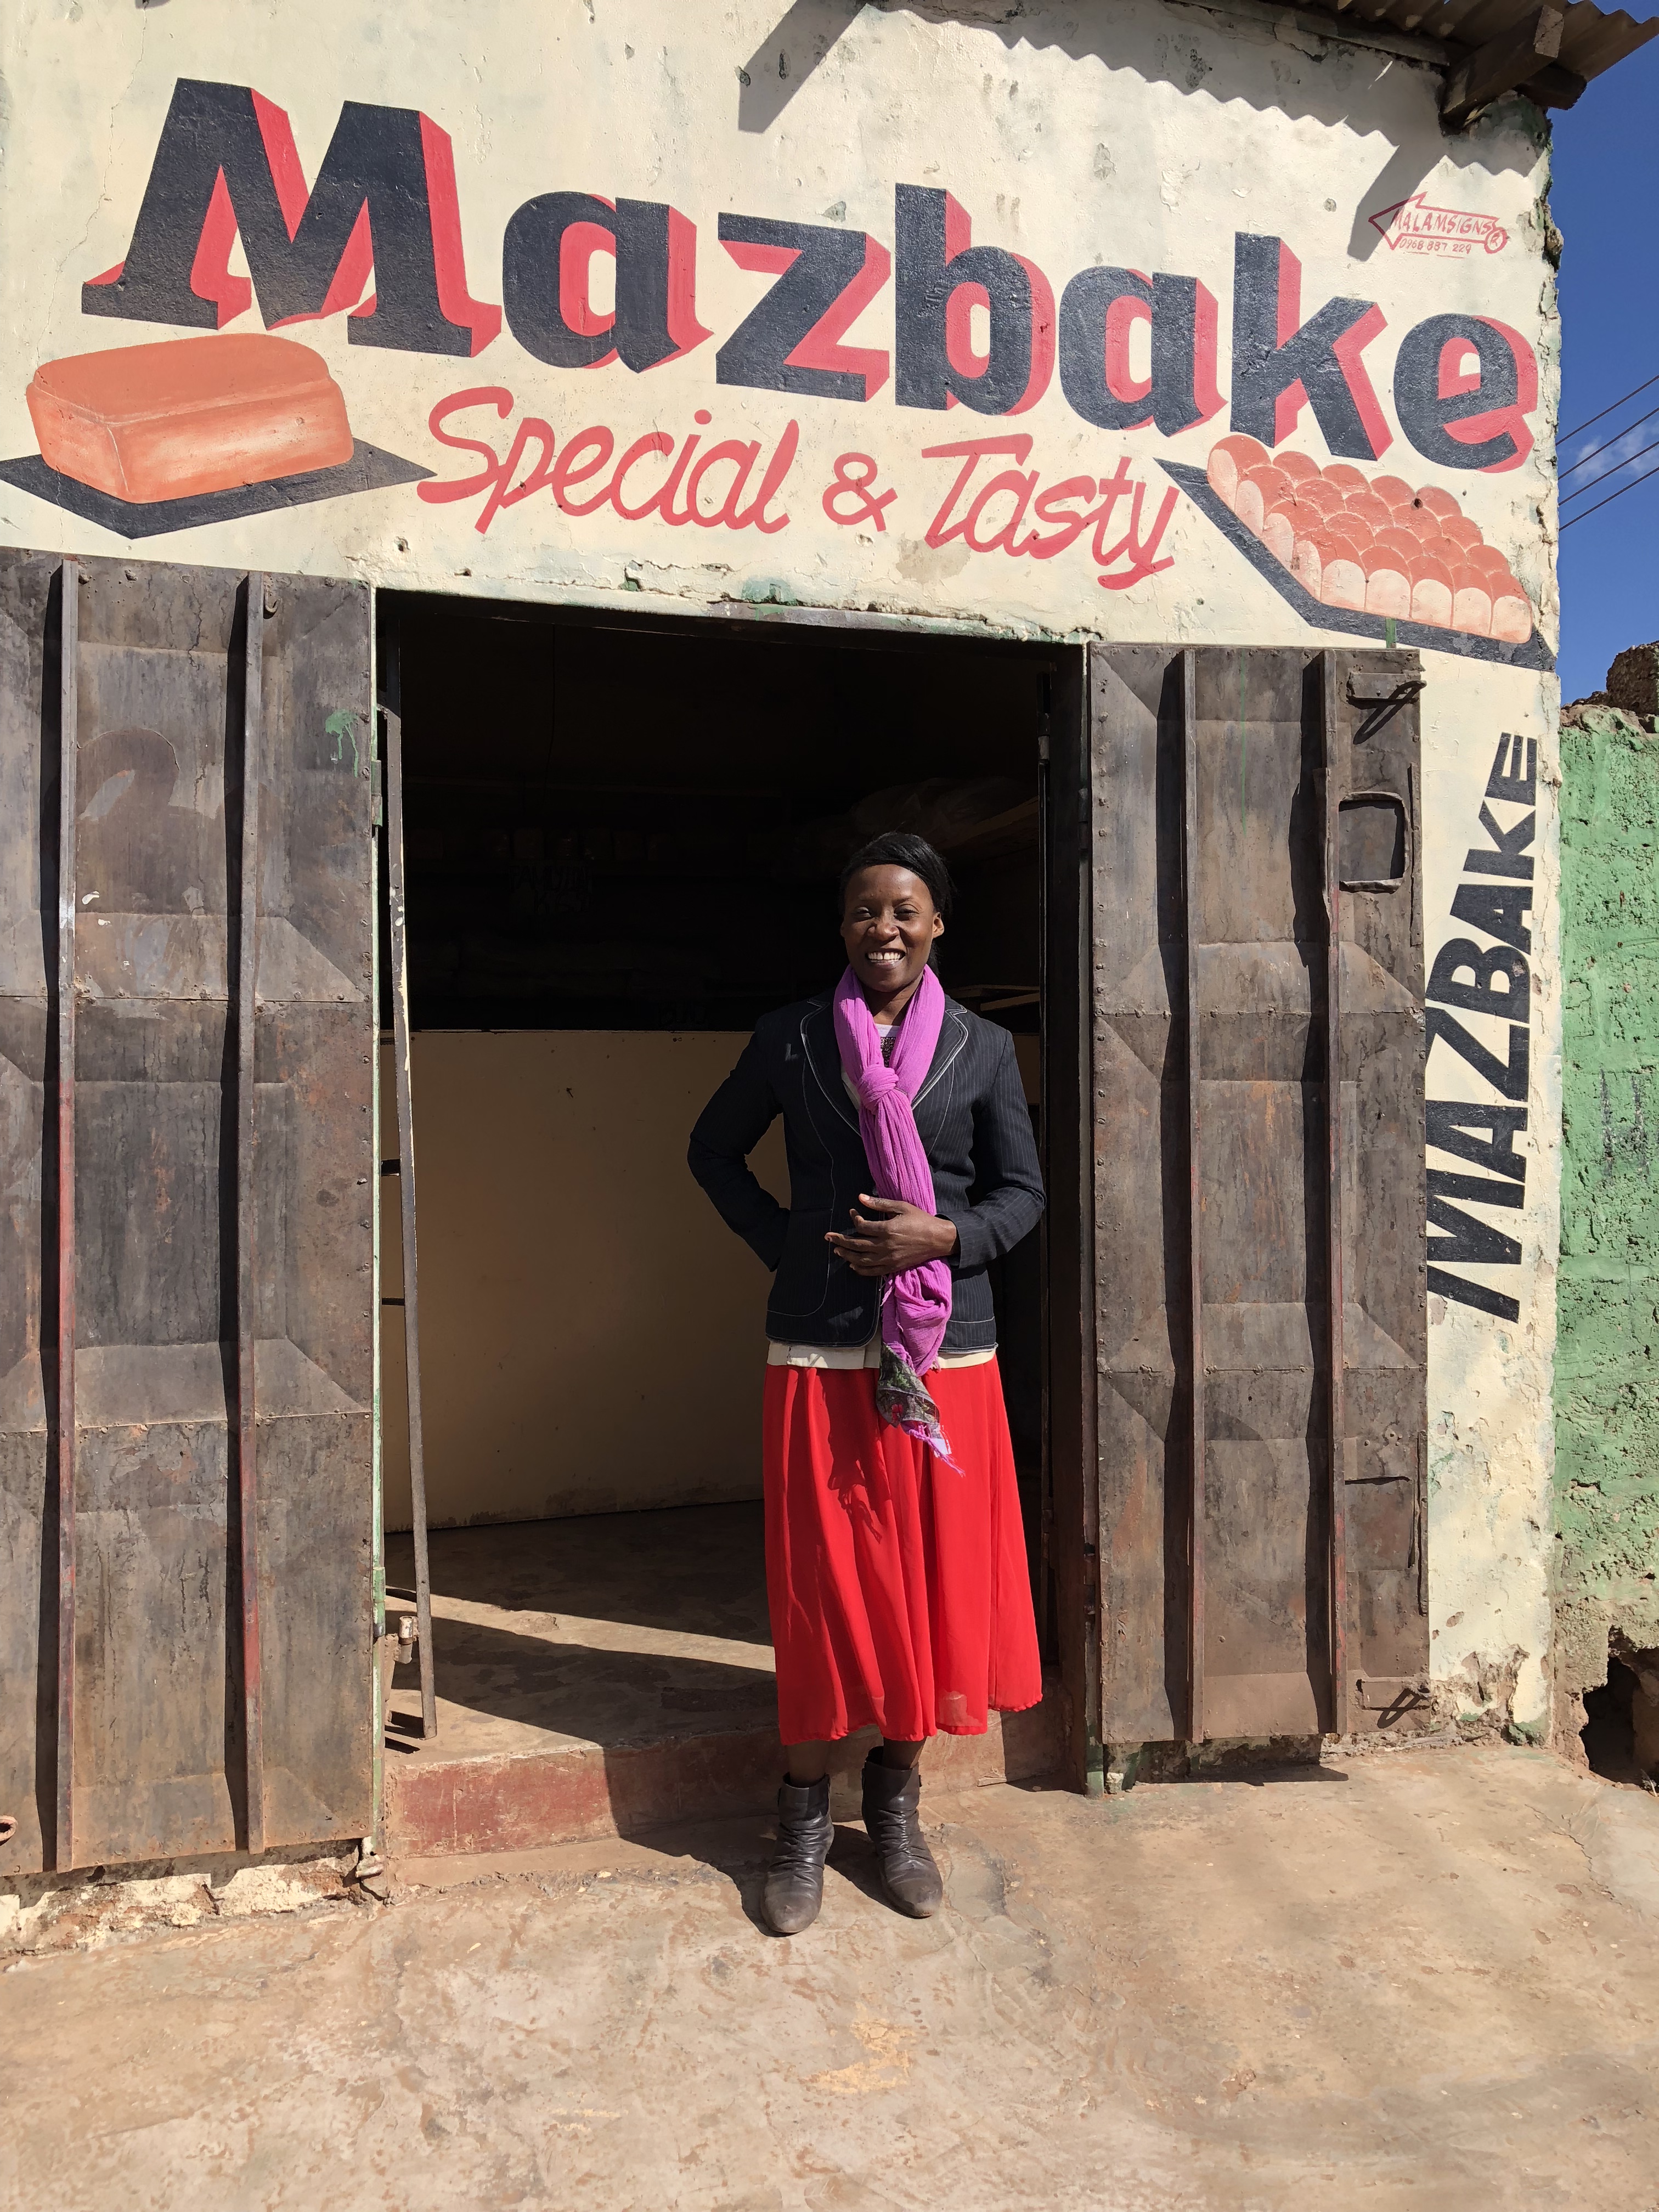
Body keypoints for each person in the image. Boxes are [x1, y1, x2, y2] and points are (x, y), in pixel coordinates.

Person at [688, 831, 1045, 1935]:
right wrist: (791, 1248)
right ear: (842, 926)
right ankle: (800, 1819)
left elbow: (1023, 1194)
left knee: (927, 1589)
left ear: (936, 925)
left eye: (903, 910)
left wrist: (945, 1236)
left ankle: (894, 1811)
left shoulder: (983, 1048)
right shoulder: (792, 1038)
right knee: (826, 1588)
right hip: (821, 1352)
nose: (881, 927)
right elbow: (712, 1151)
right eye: (862, 910)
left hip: (945, 1360)